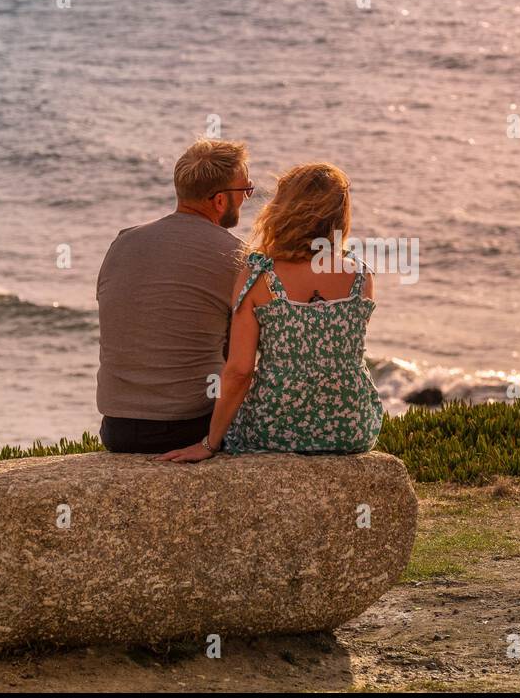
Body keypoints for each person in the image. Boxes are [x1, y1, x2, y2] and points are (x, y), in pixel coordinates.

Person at [160, 162, 383, 462]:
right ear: (340, 214)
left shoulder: (259, 276)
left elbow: (239, 371)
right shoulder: (361, 276)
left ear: (283, 209)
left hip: (274, 427)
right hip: (352, 427)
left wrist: (209, 444)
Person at [95, 138, 253, 453]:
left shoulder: (123, 243)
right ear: (220, 201)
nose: (247, 198)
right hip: (190, 426)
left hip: (117, 428)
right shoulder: (237, 255)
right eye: (245, 191)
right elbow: (242, 361)